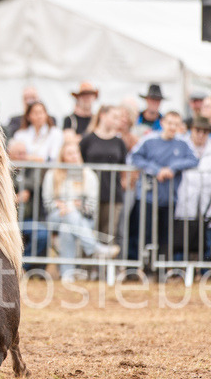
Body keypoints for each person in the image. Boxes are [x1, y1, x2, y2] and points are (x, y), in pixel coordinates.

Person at [126, 111, 199, 261]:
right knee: (143, 233)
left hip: (169, 198)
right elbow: (133, 157)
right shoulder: (149, 140)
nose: (172, 127)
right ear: (163, 123)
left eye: (176, 124)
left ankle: (161, 267)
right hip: (147, 196)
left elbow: (194, 160)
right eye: (170, 123)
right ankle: (139, 266)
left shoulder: (183, 143)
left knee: (165, 235)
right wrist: (155, 170)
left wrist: (173, 168)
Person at [42, 141, 119, 281]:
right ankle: (95, 247)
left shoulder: (88, 174)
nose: (74, 156)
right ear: (63, 157)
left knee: (67, 227)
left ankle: (67, 274)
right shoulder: (52, 174)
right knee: (69, 215)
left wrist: (70, 206)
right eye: (69, 154)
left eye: (75, 153)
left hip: (83, 220)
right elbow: (47, 203)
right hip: (55, 217)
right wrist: (67, 206)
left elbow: (91, 206)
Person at [175, 116, 211, 260]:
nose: (200, 134)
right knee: (183, 234)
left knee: (208, 235)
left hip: (208, 197)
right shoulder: (182, 144)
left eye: (205, 131)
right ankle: (180, 268)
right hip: (187, 195)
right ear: (192, 130)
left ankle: (206, 269)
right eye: (198, 130)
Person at [79, 106, 129, 244]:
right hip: (90, 194)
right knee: (88, 234)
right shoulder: (87, 139)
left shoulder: (119, 142)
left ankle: (106, 266)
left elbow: (124, 168)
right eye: (114, 116)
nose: (116, 121)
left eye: (118, 118)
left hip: (113, 194)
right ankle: (87, 266)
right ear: (102, 115)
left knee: (108, 235)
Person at [8, 138, 48, 272]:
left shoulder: (32, 168)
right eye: (19, 153)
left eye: (24, 153)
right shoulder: (4, 169)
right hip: (7, 220)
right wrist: (13, 197)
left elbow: (34, 183)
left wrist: (19, 189)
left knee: (42, 235)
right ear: (9, 154)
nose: (23, 157)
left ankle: (20, 267)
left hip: (29, 219)